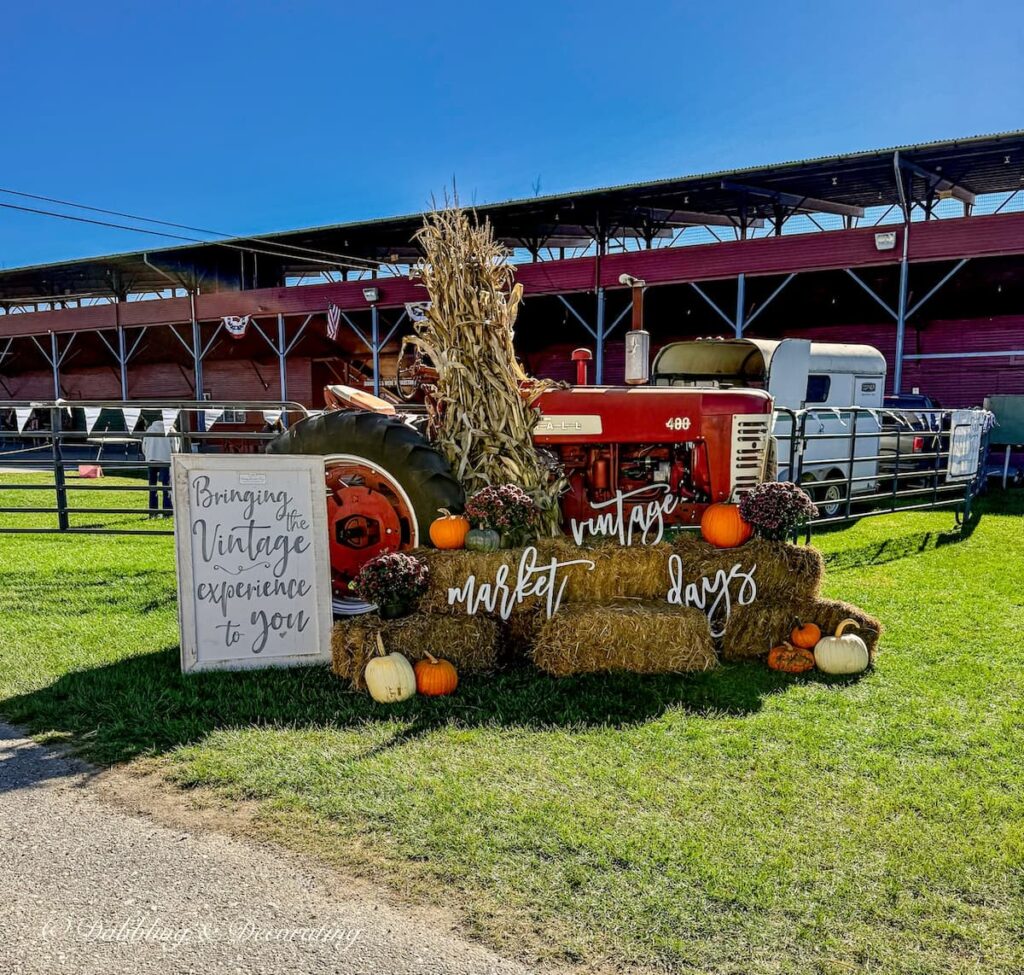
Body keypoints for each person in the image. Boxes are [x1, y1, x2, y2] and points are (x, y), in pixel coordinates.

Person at [142, 417, 174, 517]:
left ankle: (153, 512)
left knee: (152, 486)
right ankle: (167, 511)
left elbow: (144, 445)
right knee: (166, 486)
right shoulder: (171, 429)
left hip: (151, 459)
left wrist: (147, 456)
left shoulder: (150, 429)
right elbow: (175, 446)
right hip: (165, 459)